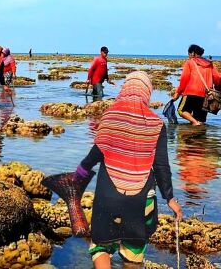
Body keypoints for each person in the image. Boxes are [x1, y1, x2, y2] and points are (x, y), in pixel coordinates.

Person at [73, 71, 182, 268]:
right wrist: (170, 198)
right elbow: (161, 167)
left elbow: (94, 155)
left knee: (101, 247)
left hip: (108, 198)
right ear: (146, 92)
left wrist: (78, 177)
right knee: (134, 254)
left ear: (125, 89)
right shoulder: (157, 125)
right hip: (142, 203)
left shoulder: (110, 116)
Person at [172, 44, 220, 125]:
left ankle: (194, 122)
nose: (189, 56)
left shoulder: (190, 62)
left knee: (181, 111)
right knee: (200, 120)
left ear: (193, 53)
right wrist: (218, 90)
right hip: (206, 95)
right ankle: (198, 133)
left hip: (191, 92)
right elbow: (218, 78)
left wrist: (178, 93)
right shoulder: (210, 64)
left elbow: (184, 79)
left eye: (189, 54)